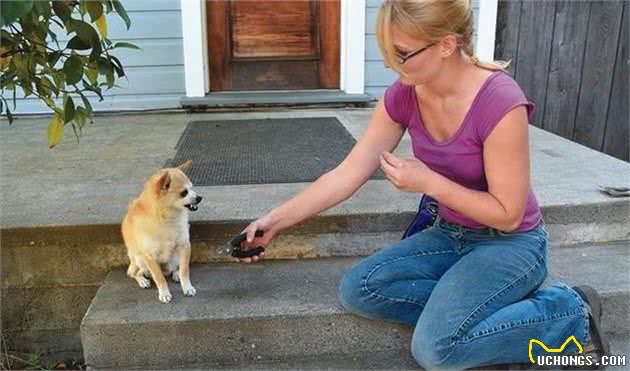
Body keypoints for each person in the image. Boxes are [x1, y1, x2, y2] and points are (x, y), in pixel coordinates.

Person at [236, 0, 608, 369]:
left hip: (510, 245)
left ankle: (569, 313)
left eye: (401, 53)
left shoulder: (499, 101)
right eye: (385, 51)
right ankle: (500, 315)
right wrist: (275, 221)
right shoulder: (405, 94)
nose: (388, 64)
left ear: (447, 45)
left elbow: (509, 215)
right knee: (359, 289)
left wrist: (430, 181)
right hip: (450, 234)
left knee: (435, 349)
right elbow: (347, 173)